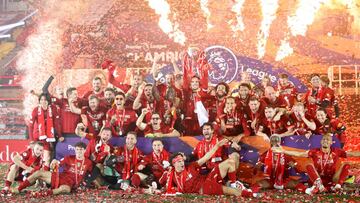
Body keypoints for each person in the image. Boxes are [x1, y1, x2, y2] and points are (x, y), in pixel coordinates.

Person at [159, 140, 257, 197]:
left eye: (182, 160)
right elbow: (161, 182)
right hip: (204, 188)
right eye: (179, 161)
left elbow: (206, 157)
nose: (182, 163)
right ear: (173, 164)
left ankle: (234, 183)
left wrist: (217, 146)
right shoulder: (171, 173)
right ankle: (251, 195)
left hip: (208, 177)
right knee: (230, 191)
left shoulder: (191, 165)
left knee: (230, 162)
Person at [272, 134, 360, 195]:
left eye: (327, 139)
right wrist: (283, 151)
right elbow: (300, 154)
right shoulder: (315, 151)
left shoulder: (336, 151)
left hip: (332, 178)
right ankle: (320, 186)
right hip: (317, 177)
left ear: (331, 143)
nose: (325, 140)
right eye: (324, 139)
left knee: (346, 164)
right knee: (309, 165)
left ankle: (338, 186)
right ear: (321, 142)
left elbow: (352, 154)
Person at [12, 142, 92, 196]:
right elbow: (57, 165)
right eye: (77, 149)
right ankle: (19, 189)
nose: (79, 151)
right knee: (39, 173)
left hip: (69, 183)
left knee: (66, 189)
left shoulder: (88, 162)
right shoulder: (69, 158)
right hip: (60, 177)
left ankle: (46, 193)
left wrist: (89, 183)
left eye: (81, 150)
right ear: (74, 150)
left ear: (85, 150)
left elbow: (92, 174)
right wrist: (54, 163)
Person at [29, 93, 63, 169]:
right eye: (41, 100)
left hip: (48, 138)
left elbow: (57, 124)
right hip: (37, 138)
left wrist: (60, 135)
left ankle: (43, 177)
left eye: (45, 100)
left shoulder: (53, 109)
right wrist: (31, 140)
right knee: (35, 159)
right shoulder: (35, 110)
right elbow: (30, 126)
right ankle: (32, 177)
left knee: (47, 158)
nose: (43, 102)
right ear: (39, 101)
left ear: (48, 101)